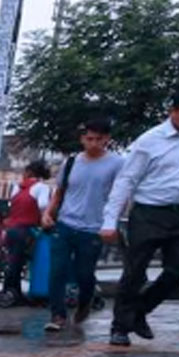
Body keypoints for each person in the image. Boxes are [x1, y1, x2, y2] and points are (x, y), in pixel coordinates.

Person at [101, 88, 179, 347]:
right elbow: (126, 180)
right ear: (173, 112)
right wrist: (109, 221)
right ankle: (120, 327)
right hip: (149, 213)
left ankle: (140, 311)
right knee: (135, 272)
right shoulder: (150, 141)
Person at [41, 117, 125, 332]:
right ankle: (57, 314)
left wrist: (111, 223)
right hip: (66, 223)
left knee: (84, 273)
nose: (94, 143)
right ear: (82, 139)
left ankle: (86, 300)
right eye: (89, 139)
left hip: (94, 228)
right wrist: (48, 213)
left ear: (107, 139)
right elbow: (59, 192)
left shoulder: (117, 164)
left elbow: (121, 195)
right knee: (57, 270)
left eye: (99, 139)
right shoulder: (70, 163)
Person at [0, 161, 52, 298]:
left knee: (13, 261)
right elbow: (43, 205)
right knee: (21, 262)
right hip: (26, 229)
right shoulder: (41, 187)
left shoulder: (18, 187)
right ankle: (11, 292)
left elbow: (11, 204)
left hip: (11, 229)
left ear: (29, 172)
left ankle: (12, 291)